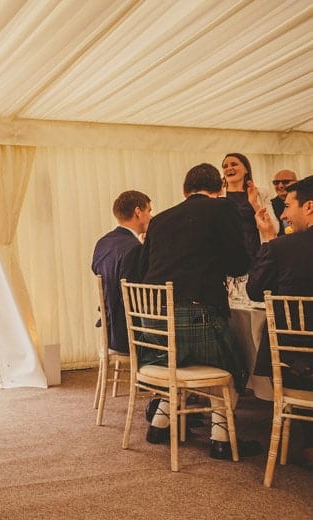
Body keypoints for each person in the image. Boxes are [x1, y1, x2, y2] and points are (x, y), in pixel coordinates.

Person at [136, 162, 261, 460]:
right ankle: (221, 437)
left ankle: (160, 422)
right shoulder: (223, 208)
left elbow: (143, 270)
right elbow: (239, 264)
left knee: (179, 363)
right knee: (232, 364)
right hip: (193, 318)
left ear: (184, 191)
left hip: (151, 325)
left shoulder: (160, 219)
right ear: (218, 189)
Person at [247, 175, 313, 467]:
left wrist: (271, 242)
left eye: (287, 206)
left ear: (309, 207)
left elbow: (254, 291)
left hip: (301, 370)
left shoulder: (284, 247)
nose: (284, 214)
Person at [91, 190, 153, 353]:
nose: (151, 217)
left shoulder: (103, 243)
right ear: (138, 212)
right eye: (149, 211)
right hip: (127, 334)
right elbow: (137, 297)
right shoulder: (134, 249)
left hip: (109, 327)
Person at [221, 153, 268, 259]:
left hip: (256, 251)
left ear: (246, 169)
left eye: (234, 164)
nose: (229, 168)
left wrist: (254, 203)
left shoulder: (261, 193)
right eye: (225, 166)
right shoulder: (217, 195)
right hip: (227, 253)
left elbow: (274, 227)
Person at [269, 169, 298, 236]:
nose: (280, 186)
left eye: (285, 182)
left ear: (297, 183)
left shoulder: (305, 202)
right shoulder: (269, 205)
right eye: (276, 182)